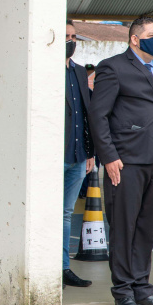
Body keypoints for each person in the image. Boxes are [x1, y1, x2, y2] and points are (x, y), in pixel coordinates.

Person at [88, 16, 153, 305]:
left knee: (146, 228)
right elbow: (98, 116)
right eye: (152, 34)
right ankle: (123, 290)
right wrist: (110, 156)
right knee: (124, 227)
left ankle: (142, 288)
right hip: (125, 162)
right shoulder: (113, 67)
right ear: (135, 39)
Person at [63, 20, 95, 288]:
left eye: (73, 36)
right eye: (65, 36)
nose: (70, 41)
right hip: (54, 155)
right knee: (47, 213)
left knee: (65, 213)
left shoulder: (79, 72)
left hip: (78, 154)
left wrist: (91, 152)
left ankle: (63, 267)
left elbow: (86, 114)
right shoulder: (44, 70)